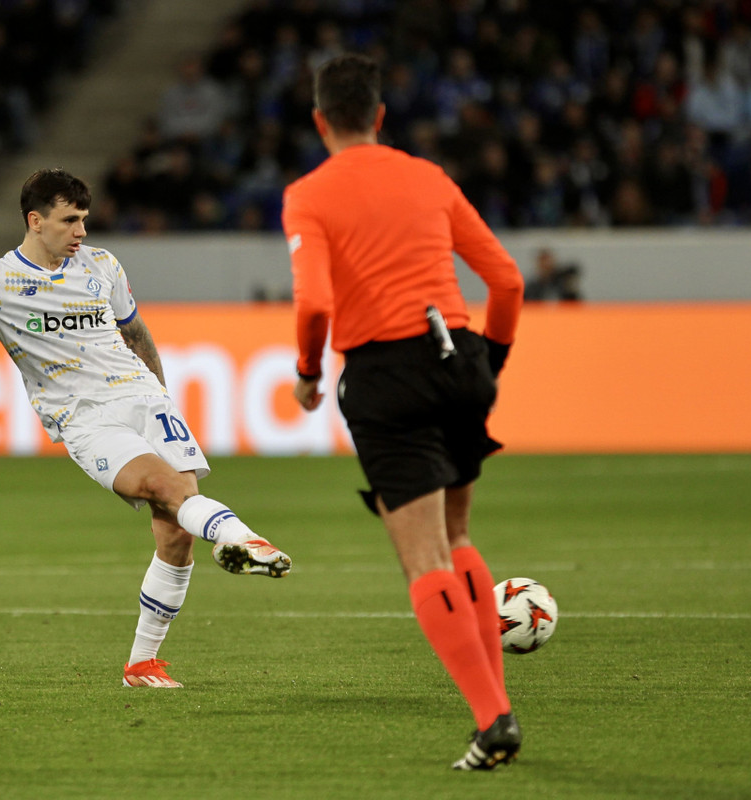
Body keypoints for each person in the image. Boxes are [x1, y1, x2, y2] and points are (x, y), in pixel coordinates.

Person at [0, 168, 291, 689]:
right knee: (167, 489)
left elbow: (135, 333)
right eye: (70, 221)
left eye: (84, 220)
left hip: (146, 400)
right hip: (85, 417)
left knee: (177, 531)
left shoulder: (102, 266)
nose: (81, 232)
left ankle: (142, 665)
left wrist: (162, 398)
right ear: (35, 221)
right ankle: (245, 539)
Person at [282, 54, 525, 770]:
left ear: (321, 122)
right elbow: (507, 281)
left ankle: (494, 720)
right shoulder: (429, 177)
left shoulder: (308, 195)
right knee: (458, 535)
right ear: (381, 116)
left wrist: (307, 374)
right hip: (460, 359)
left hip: (387, 376)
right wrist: (488, 365)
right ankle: (497, 711)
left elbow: (315, 303)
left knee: (424, 558)